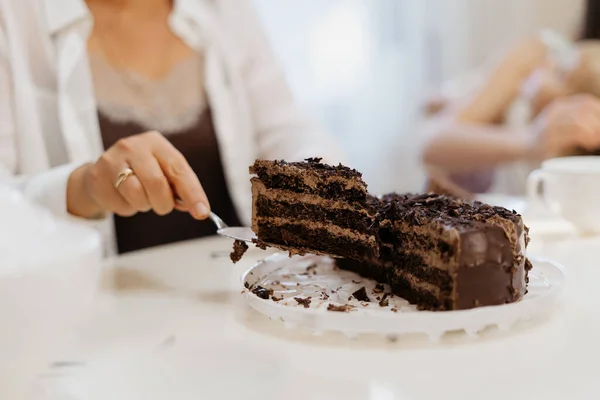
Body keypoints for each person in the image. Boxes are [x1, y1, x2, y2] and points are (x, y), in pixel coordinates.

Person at [0, 0, 343, 255]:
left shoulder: (224, 9)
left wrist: (320, 182)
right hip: (95, 326)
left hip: (239, 302)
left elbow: (286, 128)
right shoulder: (14, 20)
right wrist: (84, 188)